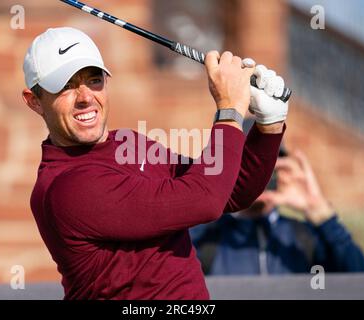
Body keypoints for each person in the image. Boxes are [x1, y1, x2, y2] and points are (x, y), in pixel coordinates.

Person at [21, 27, 289, 299]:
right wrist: (230, 109)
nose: (86, 97)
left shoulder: (129, 143)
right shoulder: (67, 187)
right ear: (34, 102)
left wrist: (269, 126)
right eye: (65, 87)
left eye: (94, 80)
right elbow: (205, 200)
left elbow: (229, 192)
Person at [191, 145, 364, 275]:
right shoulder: (203, 240)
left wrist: (320, 212)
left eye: (268, 165)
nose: (259, 175)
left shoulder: (304, 238)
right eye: (247, 164)